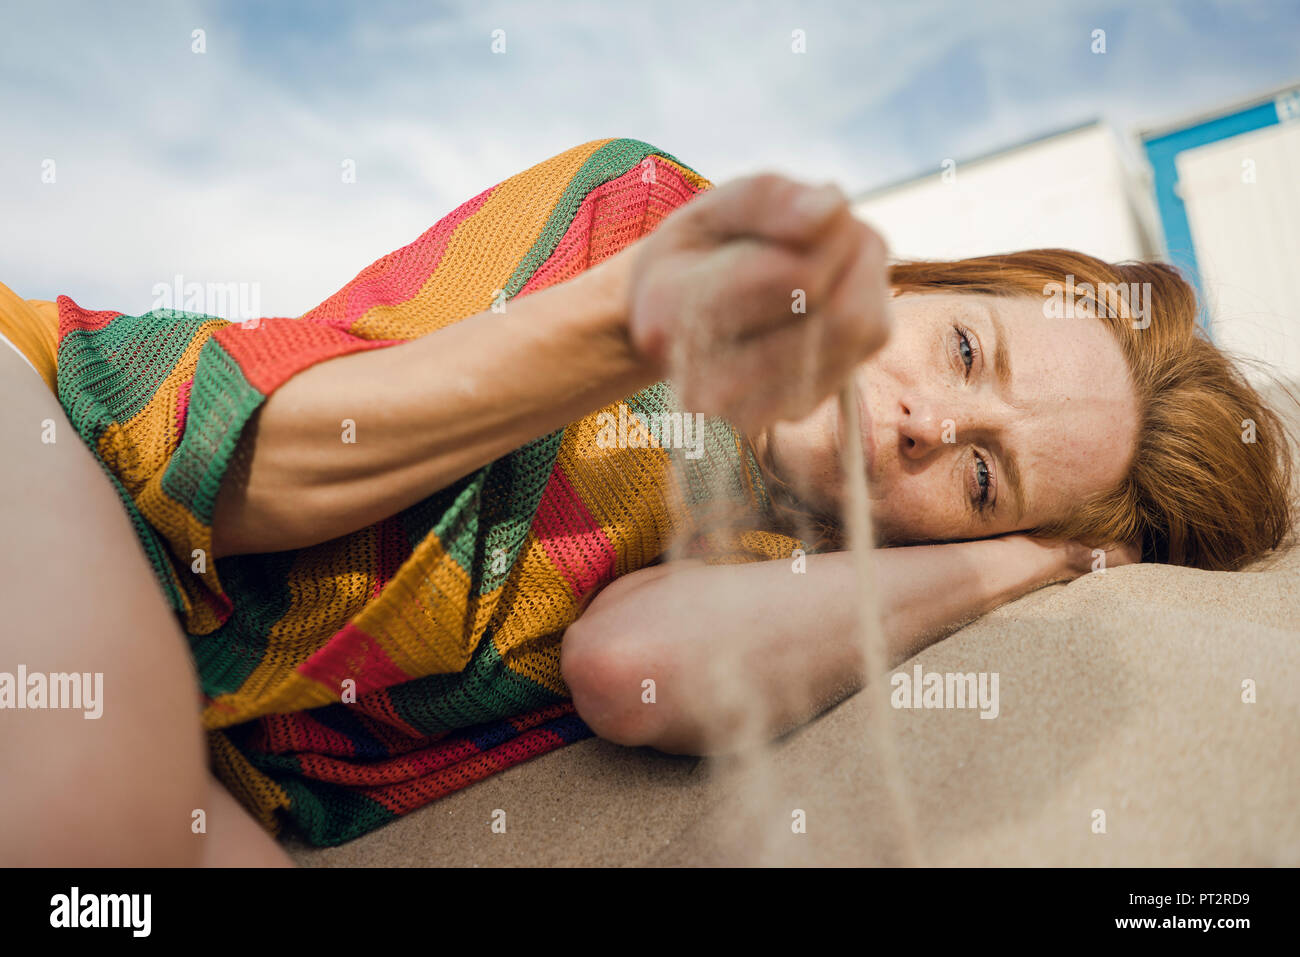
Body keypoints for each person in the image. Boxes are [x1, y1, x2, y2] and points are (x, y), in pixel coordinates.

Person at [1, 149, 1292, 864]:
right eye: (964, 354)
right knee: (86, 811)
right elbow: (257, 474)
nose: (925, 420)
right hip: (65, 438)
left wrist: (1027, 564)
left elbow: (636, 665)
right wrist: (623, 330)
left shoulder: (787, 554)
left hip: (207, 748)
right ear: (921, 279)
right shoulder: (644, 219)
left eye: (979, 475)